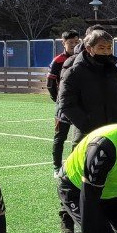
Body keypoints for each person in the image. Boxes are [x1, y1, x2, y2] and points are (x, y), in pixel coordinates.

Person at [56, 27, 117, 144]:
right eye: (101, 48)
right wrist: (87, 126)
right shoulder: (74, 72)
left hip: (114, 132)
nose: (106, 52)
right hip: (86, 135)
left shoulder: (114, 72)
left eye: (109, 48)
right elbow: (66, 103)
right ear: (89, 48)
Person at [47, 30, 81, 173]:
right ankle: (57, 167)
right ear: (63, 43)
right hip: (62, 106)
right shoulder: (58, 61)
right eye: (70, 42)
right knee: (60, 136)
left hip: (80, 106)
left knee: (81, 137)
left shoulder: (82, 59)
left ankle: (77, 166)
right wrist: (59, 100)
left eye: (76, 42)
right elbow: (50, 84)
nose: (73, 45)